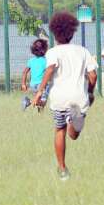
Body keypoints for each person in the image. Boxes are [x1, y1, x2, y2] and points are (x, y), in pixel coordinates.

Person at [32, 12, 98, 180]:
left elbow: (50, 69)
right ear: (72, 32)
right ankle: (73, 123)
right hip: (78, 98)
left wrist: (39, 92)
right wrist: (90, 92)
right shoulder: (83, 51)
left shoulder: (52, 52)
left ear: (55, 33)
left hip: (59, 98)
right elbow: (93, 76)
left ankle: (62, 169)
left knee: (59, 130)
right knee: (74, 135)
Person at [21, 39, 49, 112]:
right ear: (44, 49)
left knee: (38, 99)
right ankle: (28, 102)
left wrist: (23, 84)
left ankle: (40, 115)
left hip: (32, 85)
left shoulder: (31, 60)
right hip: (42, 84)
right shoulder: (46, 61)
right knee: (43, 101)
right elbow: (49, 72)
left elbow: (24, 72)